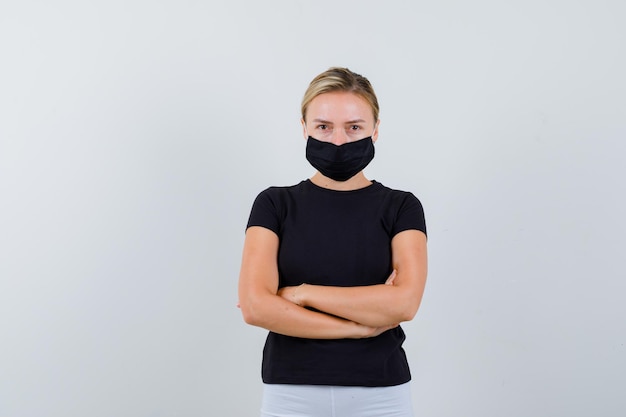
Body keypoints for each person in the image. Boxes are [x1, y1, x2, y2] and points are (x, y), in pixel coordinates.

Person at [238, 67, 428, 417]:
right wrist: (359, 328)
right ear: (304, 128)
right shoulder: (274, 204)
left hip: (382, 394)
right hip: (290, 392)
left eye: (354, 127)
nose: (338, 141)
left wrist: (300, 294)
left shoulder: (401, 206)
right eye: (323, 127)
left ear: (375, 130)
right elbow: (254, 307)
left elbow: (404, 303)